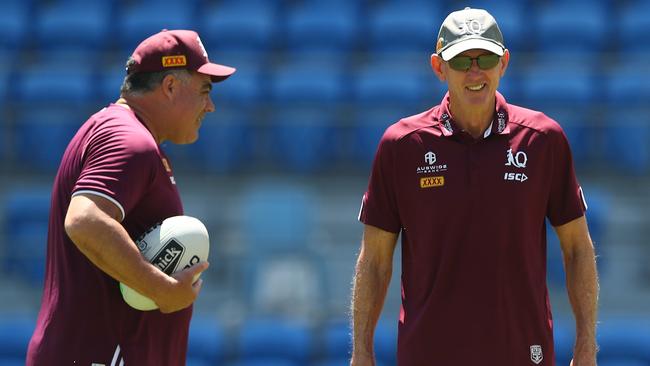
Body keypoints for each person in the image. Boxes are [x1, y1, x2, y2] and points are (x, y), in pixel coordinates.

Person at [350, 8, 599, 366]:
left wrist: (587, 346)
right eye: (462, 61)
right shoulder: (402, 146)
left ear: (504, 63)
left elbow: (577, 249)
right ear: (439, 67)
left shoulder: (544, 140)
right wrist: (361, 353)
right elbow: (374, 262)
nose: (475, 71)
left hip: (523, 356)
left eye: (485, 58)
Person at [26, 29, 236, 365]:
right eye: (204, 91)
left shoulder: (123, 133)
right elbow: (84, 220)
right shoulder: (129, 140)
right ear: (169, 86)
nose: (210, 106)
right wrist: (161, 288)